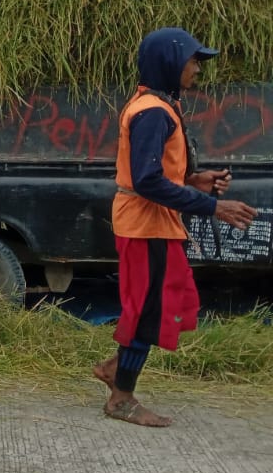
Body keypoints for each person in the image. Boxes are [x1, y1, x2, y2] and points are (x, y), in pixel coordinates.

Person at [93, 28, 257, 426]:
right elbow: (146, 181)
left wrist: (193, 180)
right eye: (193, 60)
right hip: (144, 226)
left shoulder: (160, 105)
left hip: (154, 224)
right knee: (147, 312)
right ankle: (121, 399)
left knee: (160, 306)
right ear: (169, 62)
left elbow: (153, 172)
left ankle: (116, 369)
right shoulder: (153, 112)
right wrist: (213, 206)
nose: (197, 69)